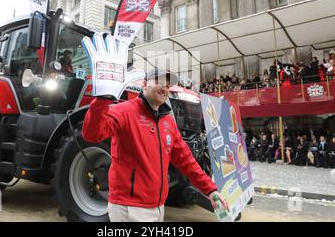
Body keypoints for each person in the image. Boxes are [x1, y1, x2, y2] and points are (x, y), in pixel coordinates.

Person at [82, 68, 228, 222]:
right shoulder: (124, 111)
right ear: (144, 84)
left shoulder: (168, 122)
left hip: (158, 207)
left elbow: (187, 161)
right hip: (129, 209)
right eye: (158, 82)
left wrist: (210, 190)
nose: (164, 88)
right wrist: (102, 99)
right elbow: (92, 134)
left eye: (167, 85)